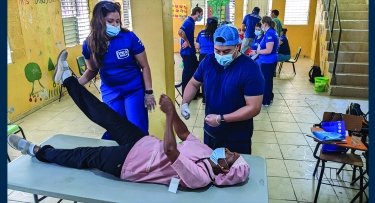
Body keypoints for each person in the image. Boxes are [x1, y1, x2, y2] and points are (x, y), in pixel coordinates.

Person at [8, 61, 250, 189]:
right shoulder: (208, 154)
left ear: (225, 171)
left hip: (130, 163)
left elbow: (171, 151)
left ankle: (37, 151)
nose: (226, 151)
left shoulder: (199, 177)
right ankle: (68, 80)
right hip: (143, 142)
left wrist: (167, 117)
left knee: (84, 156)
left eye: (229, 157)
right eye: (231, 152)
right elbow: (184, 134)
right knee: (105, 114)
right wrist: (174, 111)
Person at [181, 25, 265, 154]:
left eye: (226, 51)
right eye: (217, 50)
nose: (220, 55)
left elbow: (254, 107)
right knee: (211, 169)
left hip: (237, 137)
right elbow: (193, 83)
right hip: (211, 132)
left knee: (234, 171)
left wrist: (221, 118)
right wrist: (185, 102)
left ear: (237, 46)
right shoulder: (208, 61)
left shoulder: (250, 68)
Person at [78, 1, 156, 139]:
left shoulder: (129, 37)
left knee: (137, 129)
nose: (115, 25)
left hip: (134, 90)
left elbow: (145, 66)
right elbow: (92, 70)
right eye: (110, 21)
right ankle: (120, 158)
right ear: (99, 21)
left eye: (118, 21)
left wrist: (149, 92)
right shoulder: (90, 44)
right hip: (111, 91)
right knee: (115, 127)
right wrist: (74, 84)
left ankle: (141, 156)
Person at [251, 16, 279, 106]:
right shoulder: (270, 32)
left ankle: (266, 100)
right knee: (268, 80)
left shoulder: (270, 33)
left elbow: (268, 50)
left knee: (266, 81)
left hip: (268, 61)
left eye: (262, 24)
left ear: (265, 24)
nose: (261, 25)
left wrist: (256, 51)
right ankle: (269, 97)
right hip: (268, 61)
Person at [178, 5, 203, 96]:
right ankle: (185, 94)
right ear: (197, 13)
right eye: (201, 14)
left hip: (190, 52)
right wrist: (187, 41)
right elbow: (180, 32)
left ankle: (194, 93)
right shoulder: (188, 21)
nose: (201, 17)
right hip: (187, 53)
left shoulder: (192, 22)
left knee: (195, 70)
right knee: (187, 74)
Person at [195, 17, 218, 103]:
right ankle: (213, 97)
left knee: (204, 76)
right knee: (215, 76)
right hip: (214, 57)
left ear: (207, 24)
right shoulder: (217, 34)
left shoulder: (201, 33)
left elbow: (197, 46)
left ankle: (205, 98)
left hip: (203, 57)